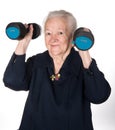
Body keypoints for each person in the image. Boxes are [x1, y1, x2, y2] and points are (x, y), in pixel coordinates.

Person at [3, 10, 111, 130]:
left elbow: (99, 96)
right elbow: (12, 81)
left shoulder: (83, 64)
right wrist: (23, 42)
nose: (53, 39)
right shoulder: (37, 62)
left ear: (72, 37)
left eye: (60, 33)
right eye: (48, 33)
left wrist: (84, 50)